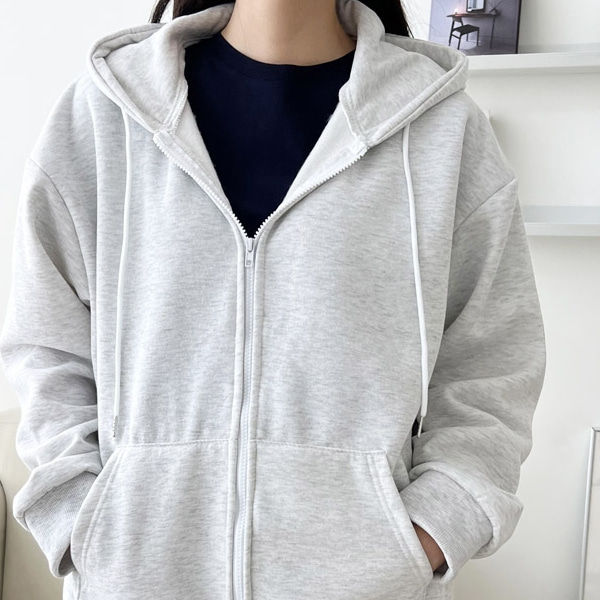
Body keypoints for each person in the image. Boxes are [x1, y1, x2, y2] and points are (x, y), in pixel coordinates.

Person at [0, 0, 547, 599]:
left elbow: (492, 367)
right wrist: (81, 523)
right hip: (134, 582)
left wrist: (424, 536)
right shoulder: (102, 116)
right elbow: (46, 347)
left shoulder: (445, 131)